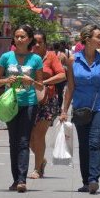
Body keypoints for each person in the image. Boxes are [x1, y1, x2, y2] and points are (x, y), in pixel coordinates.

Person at [59, 25, 100, 194]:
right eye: (97, 36)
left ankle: (94, 179)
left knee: (95, 142)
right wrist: (64, 110)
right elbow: (70, 87)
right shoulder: (73, 60)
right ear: (87, 39)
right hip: (81, 108)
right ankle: (86, 181)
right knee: (84, 145)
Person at [0, 24, 43, 193]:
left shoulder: (35, 59)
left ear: (29, 40)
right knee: (13, 141)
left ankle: (22, 180)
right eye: (17, 36)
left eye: (22, 37)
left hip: (29, 103)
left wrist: (31, 82)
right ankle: (15, 179)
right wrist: (6, 81)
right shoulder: (6, 57)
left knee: (23, 141)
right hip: (11, 104)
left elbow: (41, 85)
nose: (19, 39)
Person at [28, 31, 66, 179]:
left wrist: (44, 82)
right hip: (29, 99)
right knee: (29, 138)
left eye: (40, 42)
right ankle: (41, 159)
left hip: (47, 100)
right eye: (35, 42)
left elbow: (62, 75)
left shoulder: (51, 57)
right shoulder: (27, 57)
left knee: (39, 135)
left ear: (45, 43)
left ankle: (37, 169)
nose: (37, 45)